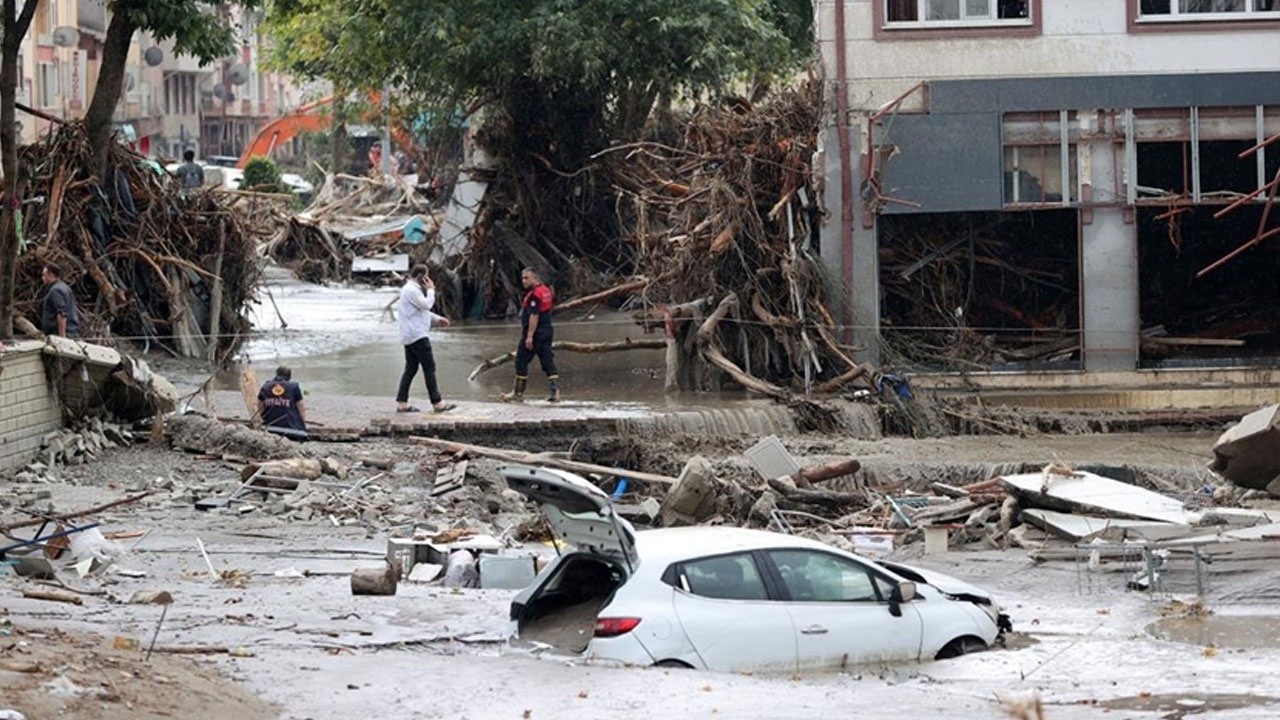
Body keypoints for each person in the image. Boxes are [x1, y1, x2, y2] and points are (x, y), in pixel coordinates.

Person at [396, 264, 457, 413]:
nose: (429, 281)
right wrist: (431, 290)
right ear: (421, 277)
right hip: (417, 335)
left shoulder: (409, 290)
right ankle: (437, 402)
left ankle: (402, 402)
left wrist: (438, 319)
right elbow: (426, 305)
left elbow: (420, 312)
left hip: (410, 335)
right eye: (427, 277)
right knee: (429, 367)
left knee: (411, 368)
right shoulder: (412, 290)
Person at [502, 267, 560, 403]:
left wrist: (529, 336)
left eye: (527, 278)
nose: (524, 281)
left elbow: (534, 316)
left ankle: (518, 393)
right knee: (547, 360)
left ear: (535, 278)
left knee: (521, 360)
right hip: (547, 331)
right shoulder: (546, 291)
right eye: (523, 278)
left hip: (536, 333)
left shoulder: (535, 295)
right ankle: (555, 392)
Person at [257, 365, 308, 440]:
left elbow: (259, 405)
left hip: (268, 427)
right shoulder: (294, 386)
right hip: (291, 430)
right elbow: (301, 407)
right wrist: (302, 423)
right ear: (289, 376)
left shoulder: (265, 386)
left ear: (277, 374)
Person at [40, 263, 80, 338]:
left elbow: (62, 313)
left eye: (44, 275)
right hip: (71, 330)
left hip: (60, 334)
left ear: (51, 275)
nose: (42, 278)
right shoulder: (65, 287)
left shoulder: (55, 290)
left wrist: (62, 336)